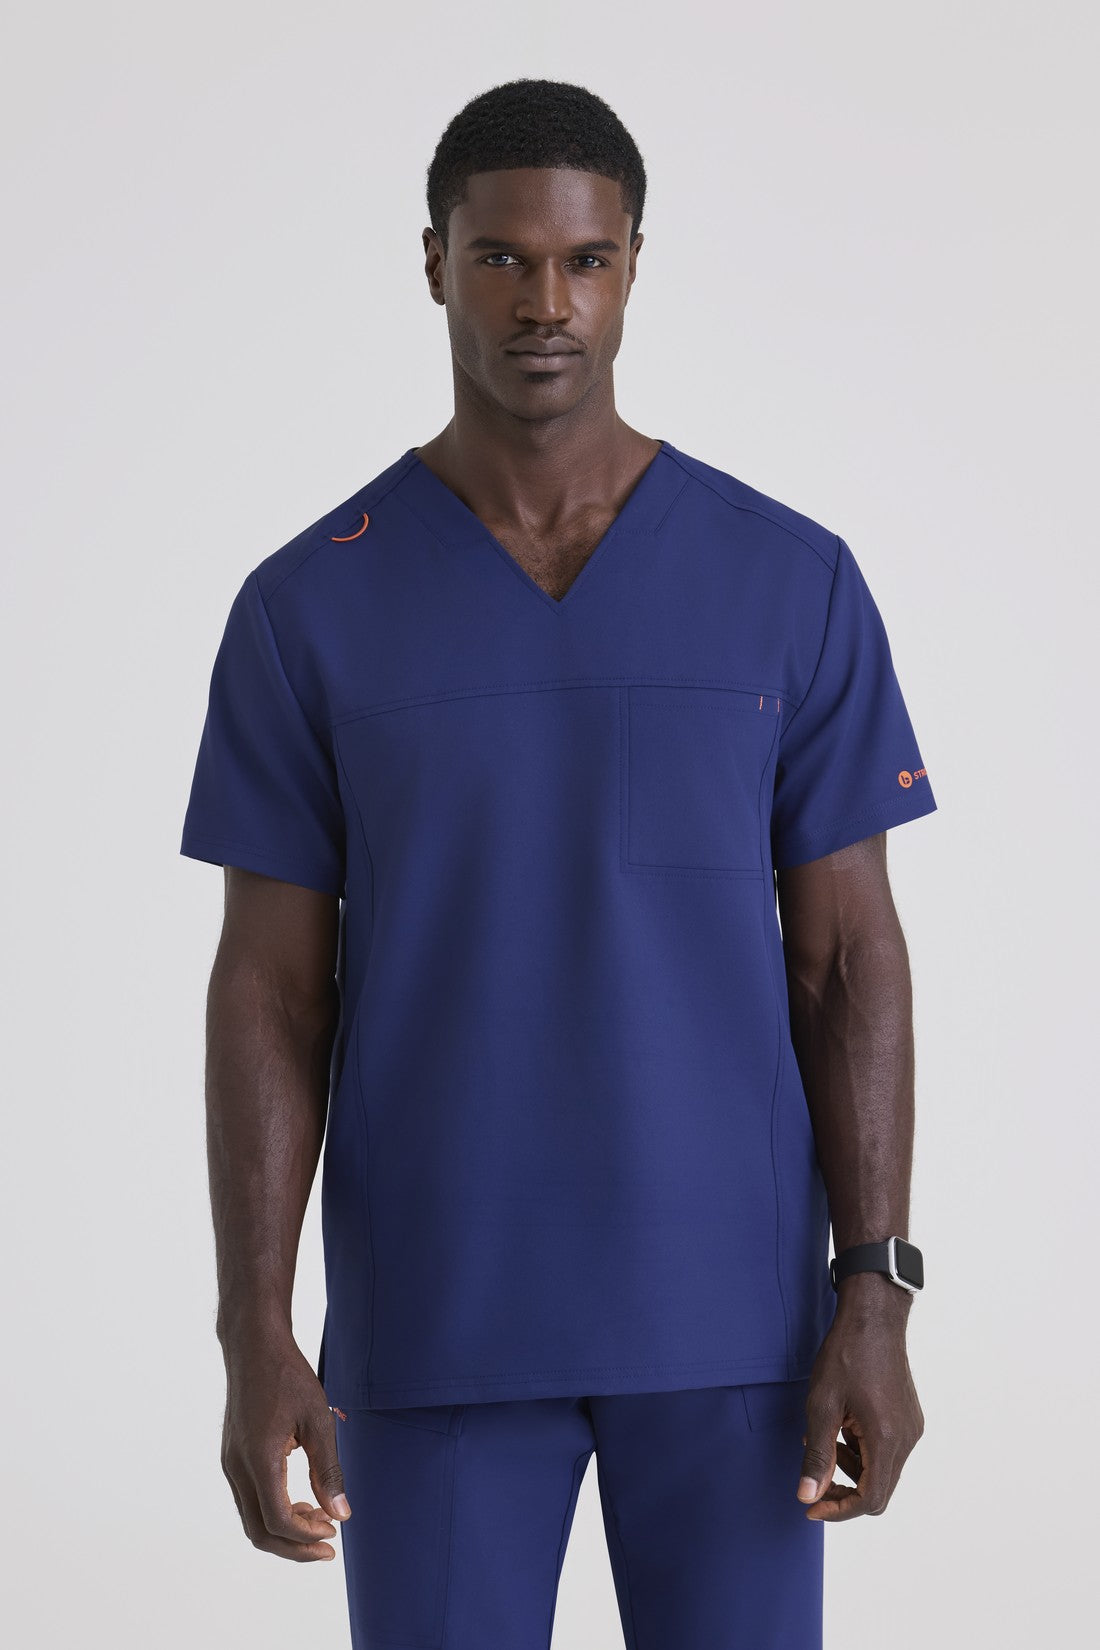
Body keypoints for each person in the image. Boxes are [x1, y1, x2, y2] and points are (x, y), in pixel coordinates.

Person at [180, 76, 936, 1650]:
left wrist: (875, 1289)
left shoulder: (787, 582)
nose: (546, 302)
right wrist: (257, 1327)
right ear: (435, 264)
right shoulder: (307, 608)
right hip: (439, 1321)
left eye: (586, 260)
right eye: (502, 258)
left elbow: (848, 959)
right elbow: (270, 994)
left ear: (635, 263)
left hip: (732, 1326)